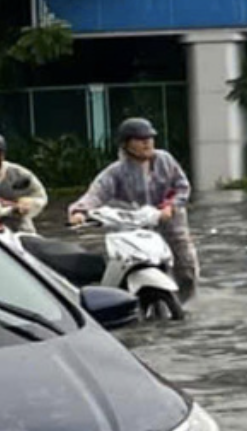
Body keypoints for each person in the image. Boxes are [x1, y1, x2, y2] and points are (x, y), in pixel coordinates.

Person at [70, 116, 197, 296]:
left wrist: (170, 207)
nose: (147, 143)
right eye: (140, 139)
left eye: (150, 138)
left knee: (186, 268)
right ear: (126, 144)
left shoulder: (165, 160)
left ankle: (184, 304)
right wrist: (79, 212)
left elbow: (182, 187)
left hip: (170, 224)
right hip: (135, 229)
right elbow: (96, 193)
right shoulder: (116, 171)